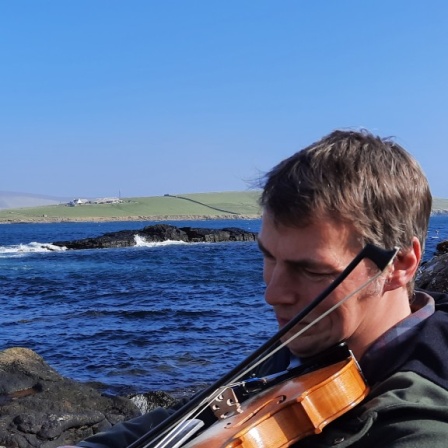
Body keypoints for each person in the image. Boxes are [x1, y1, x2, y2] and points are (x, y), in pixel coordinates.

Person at [72, 130, 448, 447]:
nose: (274, 293)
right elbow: (185, 418)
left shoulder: (420, 423)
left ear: (400, 264)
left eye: (311, 269)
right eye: (269, 257)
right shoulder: (307, 352)